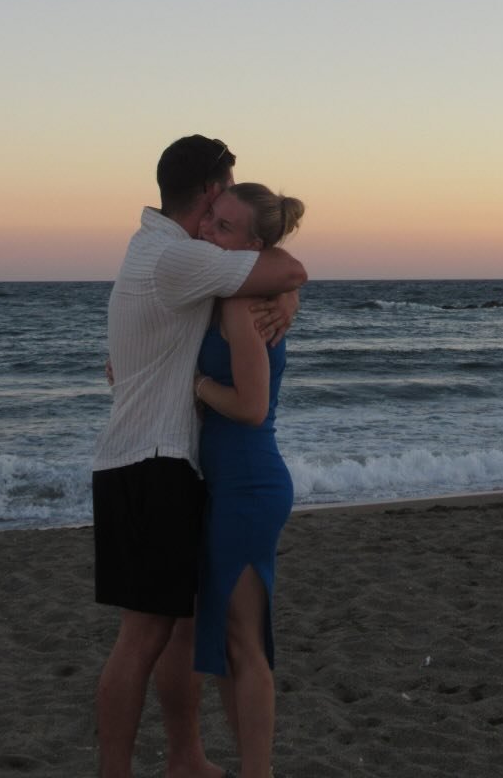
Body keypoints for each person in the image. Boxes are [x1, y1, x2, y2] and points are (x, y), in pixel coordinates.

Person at [93, 136, 306, 778]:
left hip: (163, 467)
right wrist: (287, 291)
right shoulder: (179, 258)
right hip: (152, 466)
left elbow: (271, 275)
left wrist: (284, 298)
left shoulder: (160, 253)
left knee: (181, 630)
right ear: (212, 191)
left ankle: (186, 759)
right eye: (224, 198)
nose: (219, 221)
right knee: (145, 637)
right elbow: (286, 269)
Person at [190, 183, 305, 778]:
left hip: (249, 486)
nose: (208, 231)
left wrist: (197, 386)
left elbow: (253, 407)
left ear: (254, 247)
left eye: (225, 227)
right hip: (230, 486)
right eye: (211, 218)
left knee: (244, 643)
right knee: (228, 642)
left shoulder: (240, 304)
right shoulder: (224, 292)